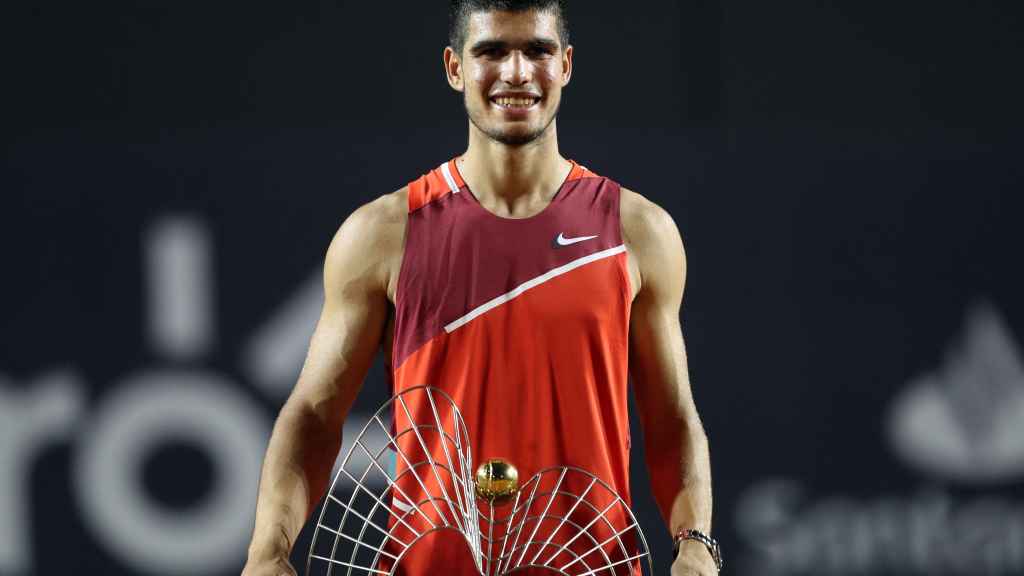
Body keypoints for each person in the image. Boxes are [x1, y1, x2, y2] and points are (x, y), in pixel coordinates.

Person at [241, 1, 716, 574]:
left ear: (565, 65)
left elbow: (673, 419)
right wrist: (268, 549)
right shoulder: (384, 234)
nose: (516, 73)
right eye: (491, 51)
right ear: (454, 68)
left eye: (536, 51)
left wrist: (695, 542)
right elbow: (314, 417)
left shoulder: (638, 231)